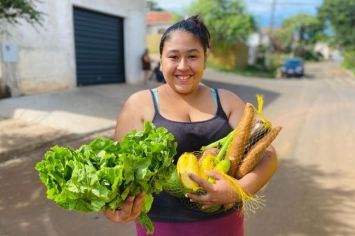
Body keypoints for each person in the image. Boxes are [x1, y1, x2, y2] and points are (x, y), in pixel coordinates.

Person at [104, 15, 278, 236]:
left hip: (223, 224)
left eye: (193, 56)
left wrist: (238, 190)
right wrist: (115, 208)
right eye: (173, 57)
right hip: (161, 226)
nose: (183, 66)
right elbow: (118, 172)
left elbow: (267, 155)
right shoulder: (139, 104)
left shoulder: (226, 101)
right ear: (161, 60)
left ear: (206, 57)